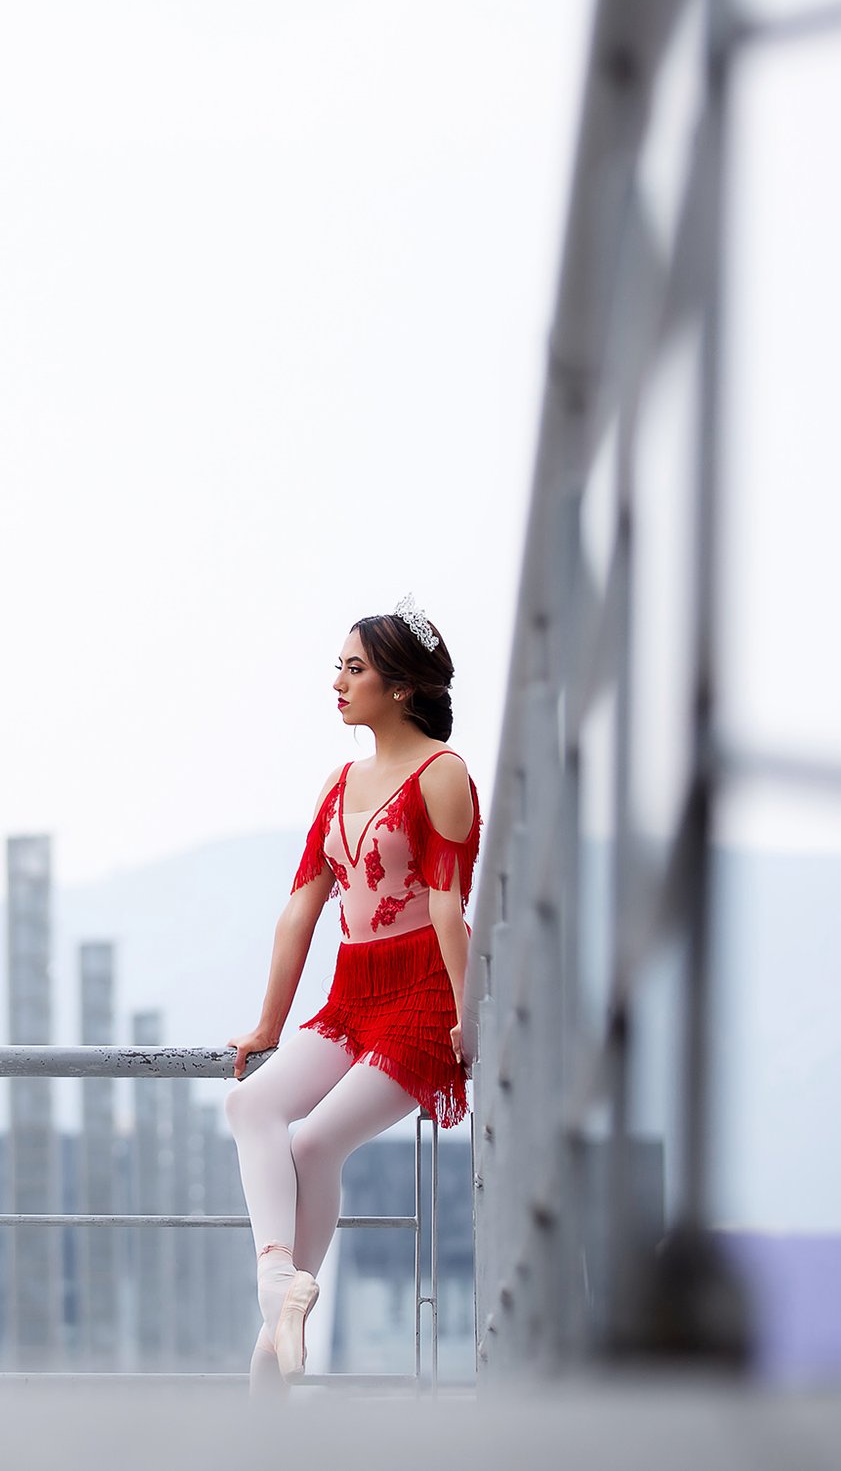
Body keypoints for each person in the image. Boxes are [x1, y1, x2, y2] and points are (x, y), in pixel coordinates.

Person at [222, 595, 481, 1390]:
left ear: (401, 686)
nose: (338, 681)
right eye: (339, 665)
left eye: (355, 668)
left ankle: (274, 1341)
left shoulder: (444, 774)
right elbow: (303, 904)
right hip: (352, 990)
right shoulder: (341, 781)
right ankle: (280, 1285)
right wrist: (268, 1023)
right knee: (250, 1106)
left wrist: (468, 1018)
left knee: (312, 1142)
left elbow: (448, 904)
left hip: (423, 996)